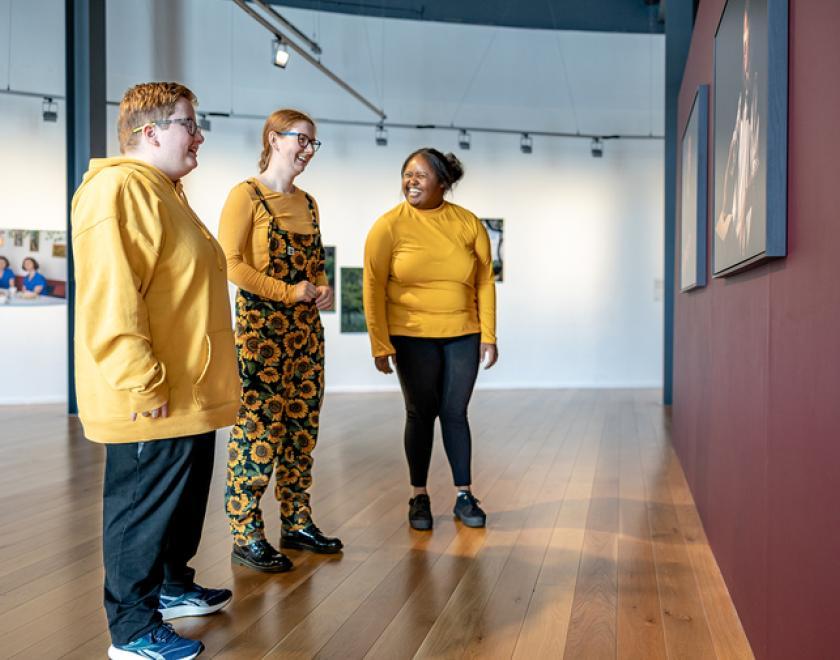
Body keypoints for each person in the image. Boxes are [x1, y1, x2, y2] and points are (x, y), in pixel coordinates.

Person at [71, 81, 241, 660]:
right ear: (151, 132)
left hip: (188, 390)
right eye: (189, 124)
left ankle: (173, 589)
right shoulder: (118, 190)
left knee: (181, 499)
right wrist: (141, 380)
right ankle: (130, 632)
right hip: (153, 392)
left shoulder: (167, 191)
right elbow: (109, 298)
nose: (199, 136)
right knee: (141, 506)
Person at [218, 108, 342, 573]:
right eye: (301, 140)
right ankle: (246, 533)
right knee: (257, 432)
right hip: (260, 334)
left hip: (306, 333)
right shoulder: (245, 195)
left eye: (313, 143)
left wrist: (322, 286)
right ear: (273, 138)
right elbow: (230, 264)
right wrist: (287, 292)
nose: (308, 150)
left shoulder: (309, 203)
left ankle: (297, 521)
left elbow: (314, 266)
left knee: (301, 430)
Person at [363, 148, 498, 531]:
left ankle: (463, 495)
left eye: (421, 175)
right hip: (411, 335)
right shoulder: (388, 226)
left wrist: (488, 334)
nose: (411, 181)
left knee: (455, 413)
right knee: (421, 413)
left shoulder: (468, 223)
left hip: (463, 333)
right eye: (407, 174)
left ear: (443, 182)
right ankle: (418, 495)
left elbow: (485, 281)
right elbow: (372, 286)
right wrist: (379, 342)